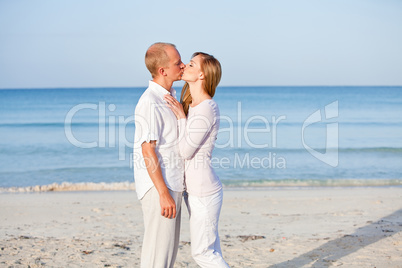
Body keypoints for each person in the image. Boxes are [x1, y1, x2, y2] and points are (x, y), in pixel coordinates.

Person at [164, 52, 230, 267]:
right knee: (211, 250)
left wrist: (181, 119)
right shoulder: (192, 105)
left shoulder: (207, 108)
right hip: (193, 191)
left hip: (204, 192)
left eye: (191, 64)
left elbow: (185, 151)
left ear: (202, 74)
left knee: (203, 253)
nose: (184, 66)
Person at [133, 42, 185, 268]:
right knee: (157, 256)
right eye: (177, 63)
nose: (183, 66)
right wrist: (163, 193)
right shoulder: (150, 102)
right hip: (159, 188)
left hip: (172, 183)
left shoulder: (169, 96)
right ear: (163, 71)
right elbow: (148, 150)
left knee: (167, 255)